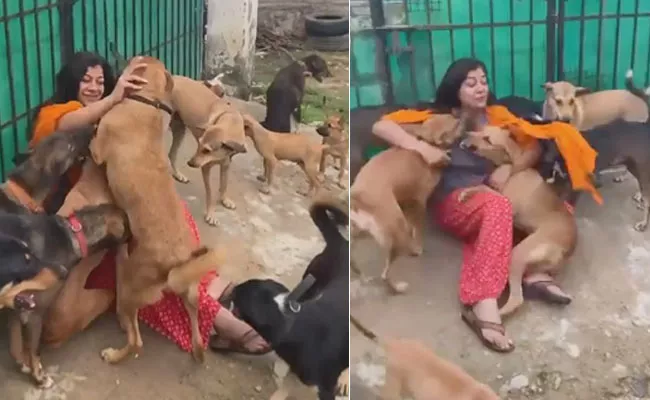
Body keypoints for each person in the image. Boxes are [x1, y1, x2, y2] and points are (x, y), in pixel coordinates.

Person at [28, 51, 268, 355]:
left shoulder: (114, 113)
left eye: (100, 81)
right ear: (70, 82)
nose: (93, 87)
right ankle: (218, 312)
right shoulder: (57, 113)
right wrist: (114, 98)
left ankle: (214, 291)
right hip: (76, 221)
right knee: (151, 260)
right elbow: (70, 124)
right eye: (85, 80)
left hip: (109, 215)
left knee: (171, 227)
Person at [372, 58, 582, 353]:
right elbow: (382, 126)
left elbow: (532, 146)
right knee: (498, 209)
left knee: (547, 213)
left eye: (483, 81)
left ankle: (532, 273)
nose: (480, 88)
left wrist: (510, 168)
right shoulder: (437, 116)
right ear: (455, 88)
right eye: (471, 83)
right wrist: (421, 147)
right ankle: (483, 305)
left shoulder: (497, 115)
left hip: (497, 192)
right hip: (455, 199)